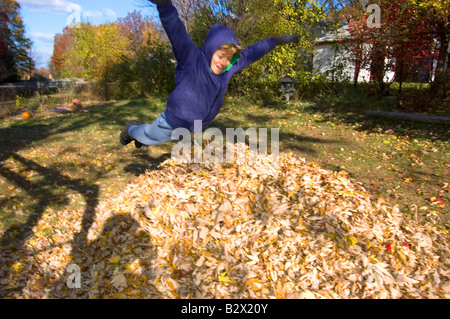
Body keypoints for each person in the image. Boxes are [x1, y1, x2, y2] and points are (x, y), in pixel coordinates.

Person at [120, 0, 299, 148]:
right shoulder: (192, 59)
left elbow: (252, 52)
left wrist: (275, 41)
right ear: (211, 50)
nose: (224, 63)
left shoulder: (229, 68)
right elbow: (177, 32)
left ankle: (143, 137)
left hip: (197, 123)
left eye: (229, 59)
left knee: (178, 143)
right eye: (221, 56)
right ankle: (132, 131)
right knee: (151, 134)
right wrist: (165, 6)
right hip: (175, 119)